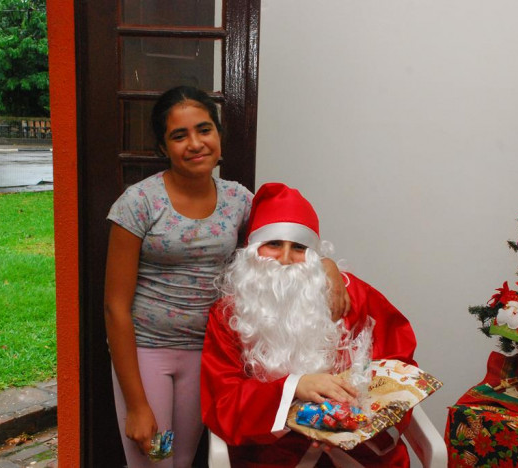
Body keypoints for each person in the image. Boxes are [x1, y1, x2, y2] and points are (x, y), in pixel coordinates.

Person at [104, 86, 350, 467]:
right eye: (179, 135)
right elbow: (115, 307)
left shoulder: (239, 200)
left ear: (218, 136)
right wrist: (137, 405)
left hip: (206, 356)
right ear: (163, 147)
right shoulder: (138, 203)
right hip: (149, 353)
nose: (195, 143)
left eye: (204, 130)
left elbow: (282, 240)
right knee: (155, 459)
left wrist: (327, 265)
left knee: (184, 459)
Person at [201, 183, 418, 467]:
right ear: (252, 250)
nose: (286, 259)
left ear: (316, 255)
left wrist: (355, 417)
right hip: (275, 452)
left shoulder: (353, 296)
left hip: (357, 449)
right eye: (274, 244)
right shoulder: (229, 315)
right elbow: (224, 402)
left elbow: (398, 367)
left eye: (299, 247)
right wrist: (294, 387)